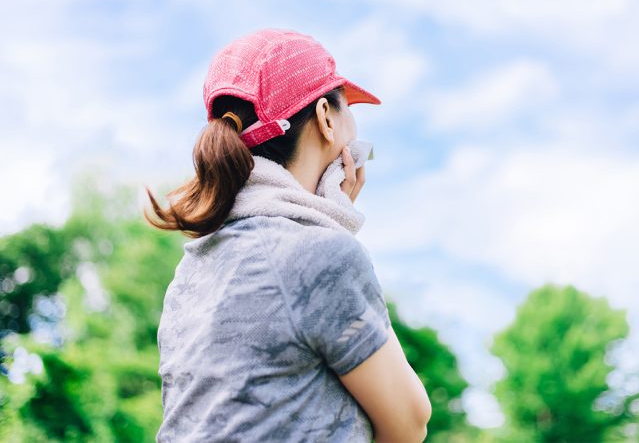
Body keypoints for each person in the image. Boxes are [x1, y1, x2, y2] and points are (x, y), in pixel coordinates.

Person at [144, 28, 431, 442]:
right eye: (348, 108)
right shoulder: (320, 254)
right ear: (326, 118)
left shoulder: (189, 274)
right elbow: (409, 423)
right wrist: (333, 224)